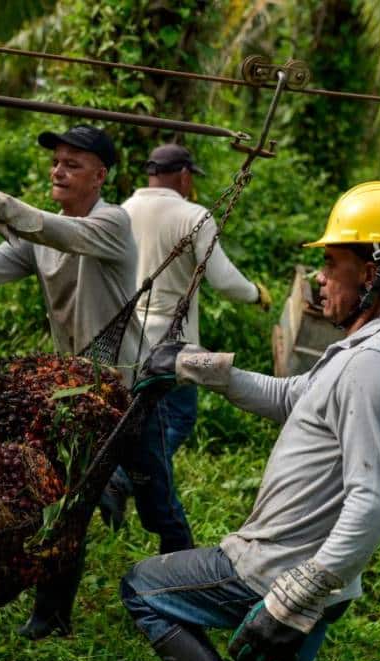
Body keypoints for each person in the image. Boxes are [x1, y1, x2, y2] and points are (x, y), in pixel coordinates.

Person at [120, 181, 380, 661]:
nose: (321, 276)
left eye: (332, 263)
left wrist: (296, 596)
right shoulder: (369, 348)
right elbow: (294, 397)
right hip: (305, 574)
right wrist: (195, 366)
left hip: (276, 571)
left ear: (371, 271)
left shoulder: (372, 365)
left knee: (143, 587)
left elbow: (375, 502)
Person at [0, 124, 143, 640]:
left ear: (100, 176)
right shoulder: (40, 238)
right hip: (72, 391)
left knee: (159, 505)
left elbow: (53, 230)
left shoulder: (111, 225)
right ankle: (52, 615)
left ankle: (171, 574)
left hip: (125, 390)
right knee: (62, 500)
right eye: (56, 162)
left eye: (73, 163)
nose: (59, 170)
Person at [100, 143, 272, 553]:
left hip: (126, 339)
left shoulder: (122, 210)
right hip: (171, 344)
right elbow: (224, 279)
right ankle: (123, 482)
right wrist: (256, 294)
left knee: (139, 418)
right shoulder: (194, 216)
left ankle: (119, 478)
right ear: (184, 177)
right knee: (179, 414)